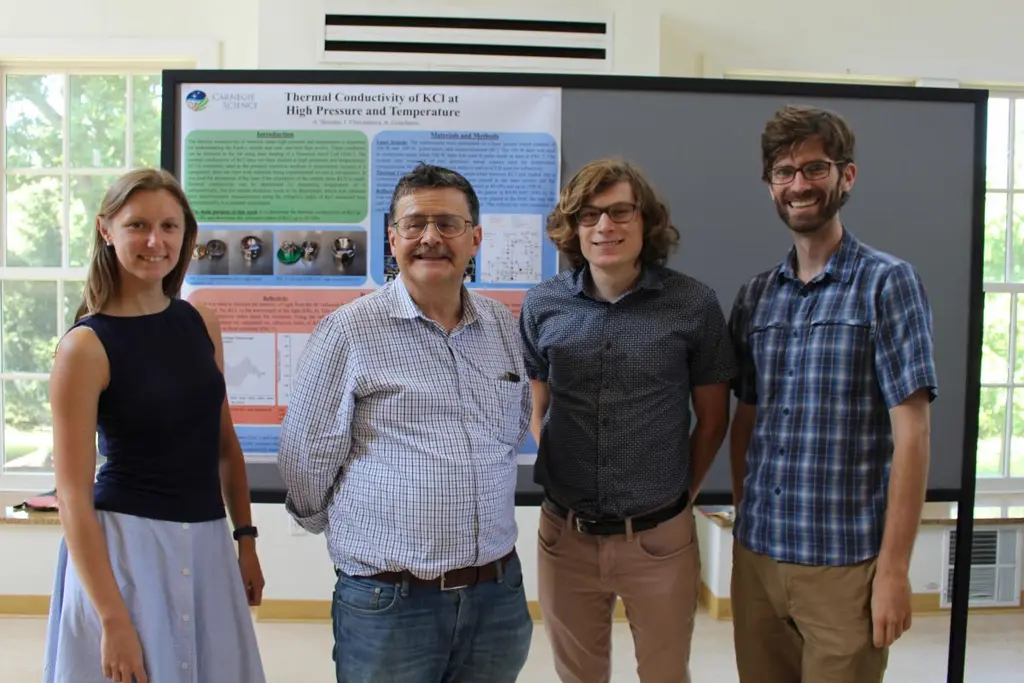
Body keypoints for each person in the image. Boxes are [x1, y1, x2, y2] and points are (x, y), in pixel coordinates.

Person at [278, 163, 534, 683]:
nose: (430, 238)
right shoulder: (348, 331)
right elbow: (307, 453)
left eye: (449, 224)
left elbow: (514, 427)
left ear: (475, 239)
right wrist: (346, 529)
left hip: (497, 595)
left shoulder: (503, 326)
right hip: (390, 600)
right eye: (414, 225)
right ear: (392, 240)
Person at [727, 105, 938, 683]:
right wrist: (747, 518)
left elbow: (913, 435)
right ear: (770, 185)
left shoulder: (888, 283)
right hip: (759, 558)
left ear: (847, 176)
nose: (799, 185)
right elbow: (745, 420)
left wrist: (894, 571)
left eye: (814, 168)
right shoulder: (756, 296)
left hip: (845, 564)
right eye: (783, 171)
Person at [43, 168, 267, 683]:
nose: (155, 241)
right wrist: (113, 618)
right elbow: (73, 497)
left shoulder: (199, 321)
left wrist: (246, 541)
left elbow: (225, 446)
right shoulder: (84, 347)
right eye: (138, 225)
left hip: (209, 542)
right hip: (125, 551)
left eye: (169, 226)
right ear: (106, 230)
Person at [519, 157, 736, 683]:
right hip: (565, 536)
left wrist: (685, 493)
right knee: (578, 676)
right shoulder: (543, 304)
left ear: (646, 221)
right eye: (589, 215)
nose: (604, 227)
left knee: (665, 674)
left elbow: (712, 418)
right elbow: (536, 405)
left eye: (620, 212)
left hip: (659, 537)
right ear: (573, 228)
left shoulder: (693, 304)